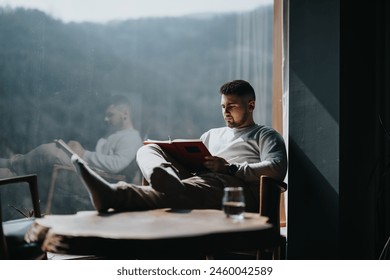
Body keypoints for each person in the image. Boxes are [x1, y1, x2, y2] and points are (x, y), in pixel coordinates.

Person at [73, 80, 287, 213]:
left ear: (251, 105)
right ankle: (165, 177)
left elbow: (277, 168)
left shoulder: (264, 134)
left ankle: (114, 194)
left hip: (233, 188)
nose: (225, 112)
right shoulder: (211, 135)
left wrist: (229, 168)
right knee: (147, 149)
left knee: (184, 191)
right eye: (222, 106)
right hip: (200, 179)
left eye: (231, 106)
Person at [0, 95, 143, 179]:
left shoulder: (132, 138)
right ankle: (9, 168)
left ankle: (10, 166)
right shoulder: (113, 134)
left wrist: (83, 153)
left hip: (101, 180)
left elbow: (116, 165)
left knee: (51, 153)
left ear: (125, 114)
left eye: (110, 115)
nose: (105, 119)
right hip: (92, 172)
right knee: (53, 151)